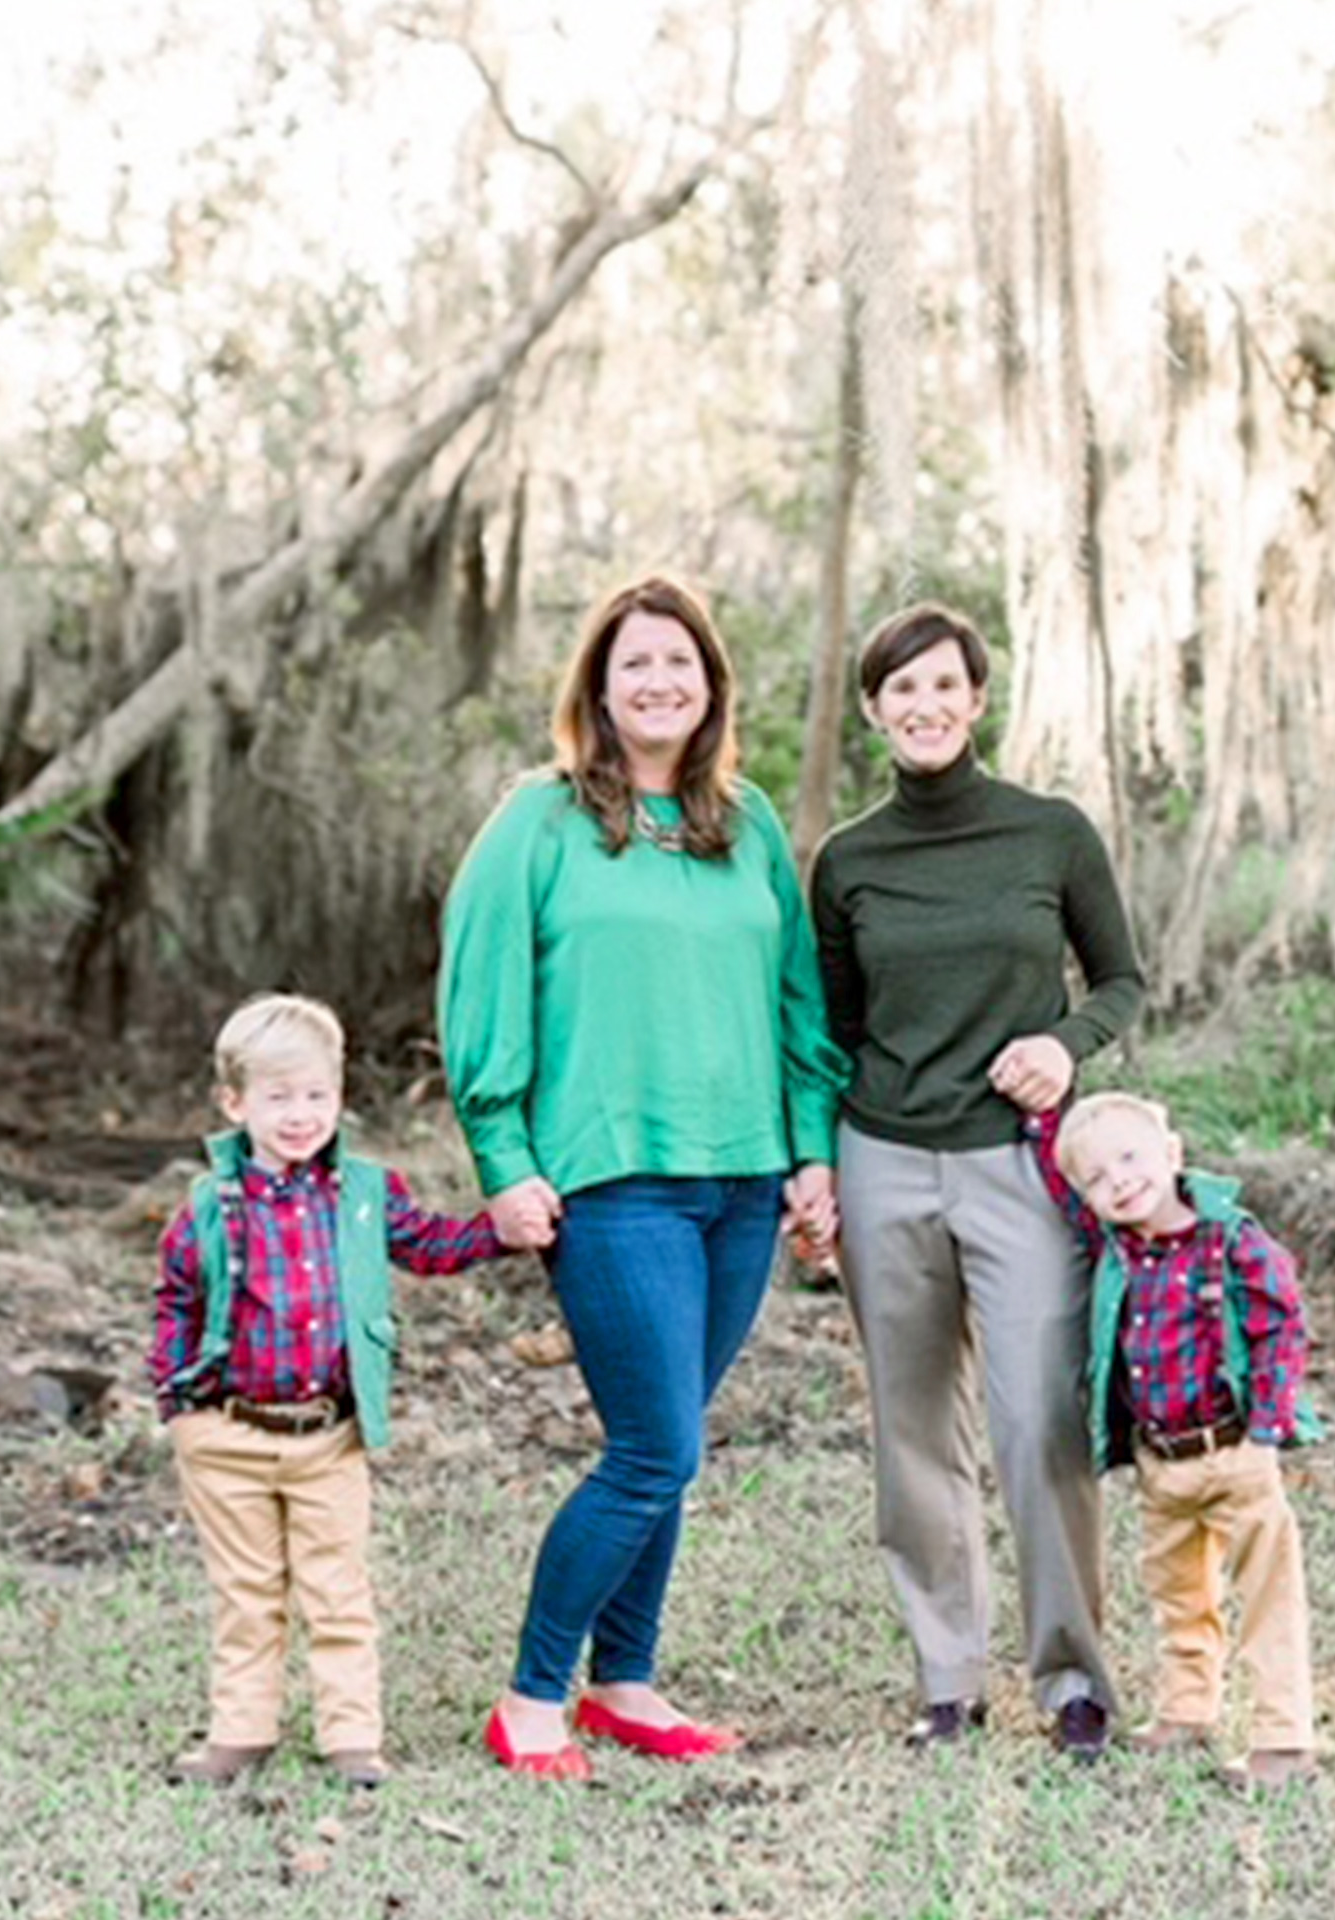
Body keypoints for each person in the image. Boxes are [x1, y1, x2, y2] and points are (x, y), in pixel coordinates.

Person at [440, 573, 848, 1780]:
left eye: (682, 661)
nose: (660, 681)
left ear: (712, 683)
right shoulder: (541, 820)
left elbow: (797, 1003)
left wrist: (811, 1148)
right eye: (636, 665)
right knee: (655, 1450)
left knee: (665, 1435)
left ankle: (623, 1680)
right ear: (599, 690)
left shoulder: (751, 823)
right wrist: (503, 1156)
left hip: (741, 1182)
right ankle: (529, 1698)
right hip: (611, 1182)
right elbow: (481, 987)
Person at [808, 601, 1144, 1758]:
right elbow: (837, 1027)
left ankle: (1073, 1683)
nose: (926, 706)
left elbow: (1122, 980)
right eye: (902, 689)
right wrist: (823, 1169)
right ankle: (946, 1680)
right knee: (911, 1433)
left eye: (945, 685)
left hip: (1020, 1164)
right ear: (874, 710)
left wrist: (1064, 1043)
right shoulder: (847, 860)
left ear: (978, 698)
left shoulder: (1048, 834)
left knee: (1041, 1418)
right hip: (885, 1162)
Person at [149, 992, 526, 1791]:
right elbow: (177, 1300)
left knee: (337, 1590)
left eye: (316, 1095)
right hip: (229, 1434)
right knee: (247, 1592)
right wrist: (177, 1407)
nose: (299, 1114)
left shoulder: (361, 1192)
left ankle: (353, 1739)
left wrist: (498, 1229)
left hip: (328, 1436)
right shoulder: (211, 1207)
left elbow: (426, 1246)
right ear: (235, 1102)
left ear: (339, 1096)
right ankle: (240, 1733)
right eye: (278, 1097)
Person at [1034, 1089, 1321, 1791]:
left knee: (1265, 1595)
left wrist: (1267, 1431)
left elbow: (1281, 1330)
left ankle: (1283, 1740)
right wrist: (1040, 1118)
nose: (1118, 1182)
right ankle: (1188, 1712)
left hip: (1235, 1451)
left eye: (1130, 1159)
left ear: (1172, 1154)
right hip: (1161, 1463)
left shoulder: (1232, 1241)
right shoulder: (1117, 1245)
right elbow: (1060, 1184)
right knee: (1178, 1594)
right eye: (1097, 1179)